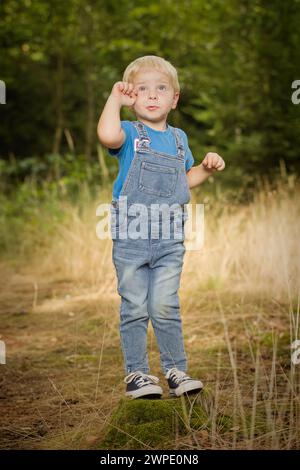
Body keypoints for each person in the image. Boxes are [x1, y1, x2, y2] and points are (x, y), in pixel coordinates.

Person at [97, 55, 225, 399]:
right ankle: (137, 374)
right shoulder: (127, 132)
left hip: (170, 238)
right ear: (131, 96)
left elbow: (184, 181)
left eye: (161, 89)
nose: (152, 96)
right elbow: (106, 134)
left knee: (166, 305)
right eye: (142, 89)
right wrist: (114, 99)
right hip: (132, 236)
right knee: (135, 306)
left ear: (174, 98)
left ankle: (175, 370)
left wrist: (206, 169)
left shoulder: (179, 138)